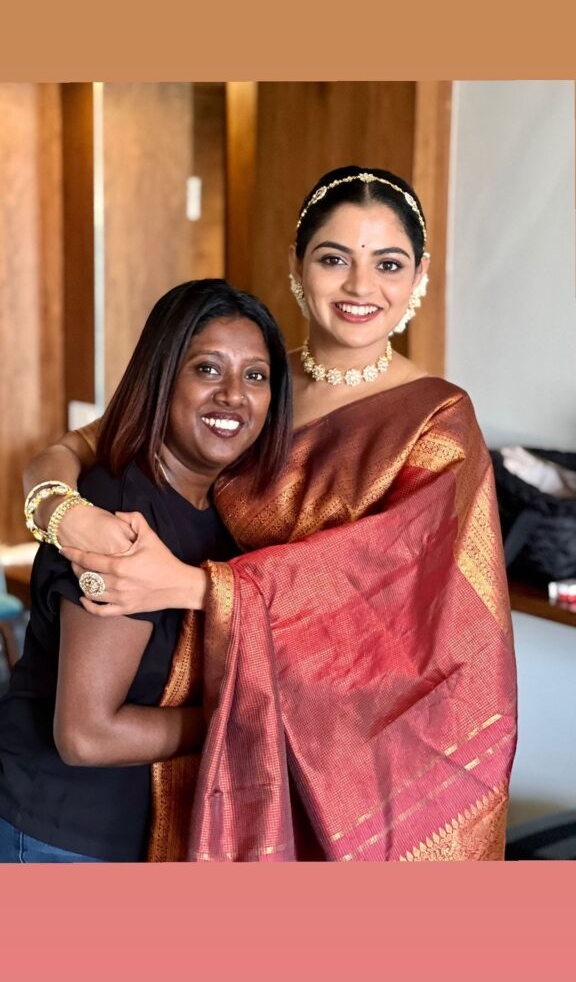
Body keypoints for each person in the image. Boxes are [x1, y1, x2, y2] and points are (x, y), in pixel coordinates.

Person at [22, 166, 517, 862]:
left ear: (420, 276)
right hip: (200, 744)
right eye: (334, 258)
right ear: (297, 265)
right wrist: (58, 510)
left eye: (388, 263)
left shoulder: (435, 422)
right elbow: (80, 446)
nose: (359, 286)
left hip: (348, 739)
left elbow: (392, 606)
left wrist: (197, 588)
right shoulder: (254, 381)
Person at [0, 279, 292, 862]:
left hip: (139, 827)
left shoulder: (225, 509)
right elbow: (86, 735)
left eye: (255, 375)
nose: (234, 396)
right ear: (165, 377)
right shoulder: (124, 510)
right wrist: (241, 722)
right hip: (61, 830)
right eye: (208, 370)